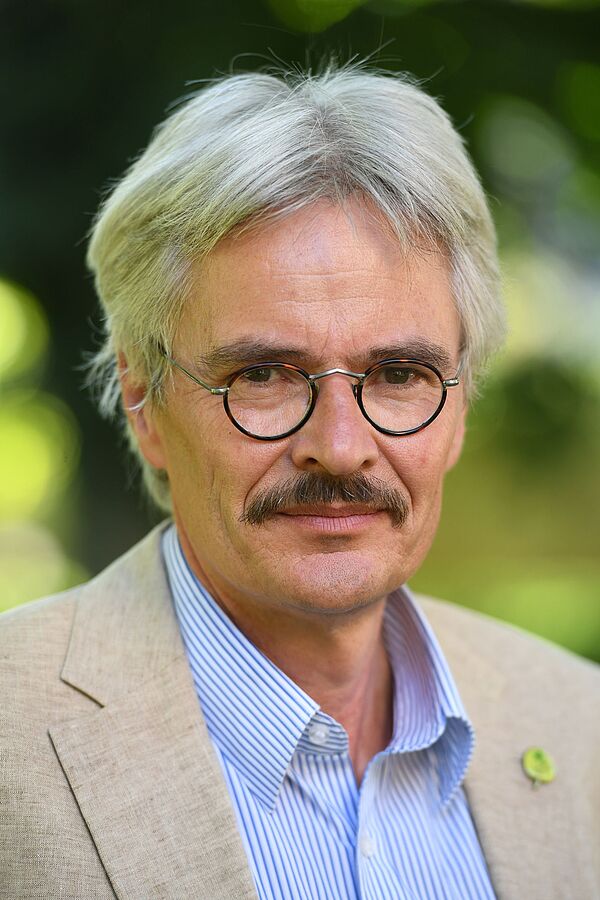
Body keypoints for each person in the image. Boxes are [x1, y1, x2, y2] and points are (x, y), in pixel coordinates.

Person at [1, 64, 598, 900]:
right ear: (143, 401)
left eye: (398, 372)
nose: (343, 447)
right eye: (265, 375)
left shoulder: (580, 723)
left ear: (461, 407)